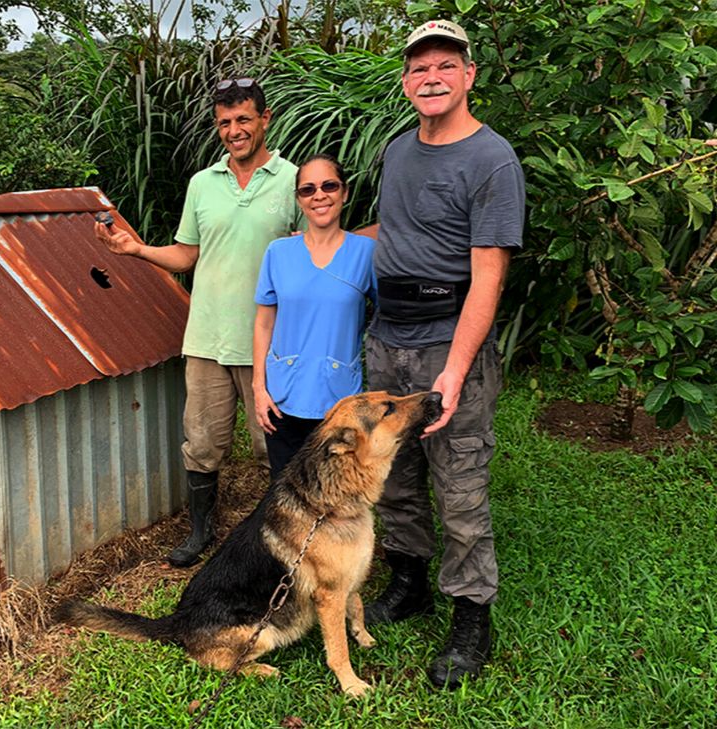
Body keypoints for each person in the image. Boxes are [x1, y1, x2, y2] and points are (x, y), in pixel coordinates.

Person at [362, 19, 525, 690]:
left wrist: (454, 370)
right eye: (418, 66)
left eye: (444, 65)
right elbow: (388, 232)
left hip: (445, 337)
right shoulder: (399, 150)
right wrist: (312, 245)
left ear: (468, 75)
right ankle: (409, 581)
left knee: (459, 483)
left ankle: (471, 614)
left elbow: (488, 273)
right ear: (406, 81)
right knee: (393, 474)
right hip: (386, 336)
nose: (431, 76)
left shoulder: (493, 161)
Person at [95, 78, 303, 568]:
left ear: (264, 119)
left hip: (270, 345)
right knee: (203, 442)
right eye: (225, 123)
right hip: (208, 338)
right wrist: (136, 249)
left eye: (244, 120)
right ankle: (201, 531)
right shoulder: (202, 184)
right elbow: (187, 255)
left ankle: (282, 539)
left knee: (271, 446)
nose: (235, 130)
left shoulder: (294, 179)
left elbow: (309, 258)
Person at [252, 154, 376, 482]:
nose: (318, 195)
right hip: (283, 395)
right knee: (286, 492)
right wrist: (259, 388)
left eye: (328, 186)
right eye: (307, 190)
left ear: (344, 192)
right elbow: (264, 322)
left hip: (339, 400)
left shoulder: (365, 253)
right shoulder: (278, 253)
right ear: (299, 200)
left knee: (335, 492)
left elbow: (387, 315)